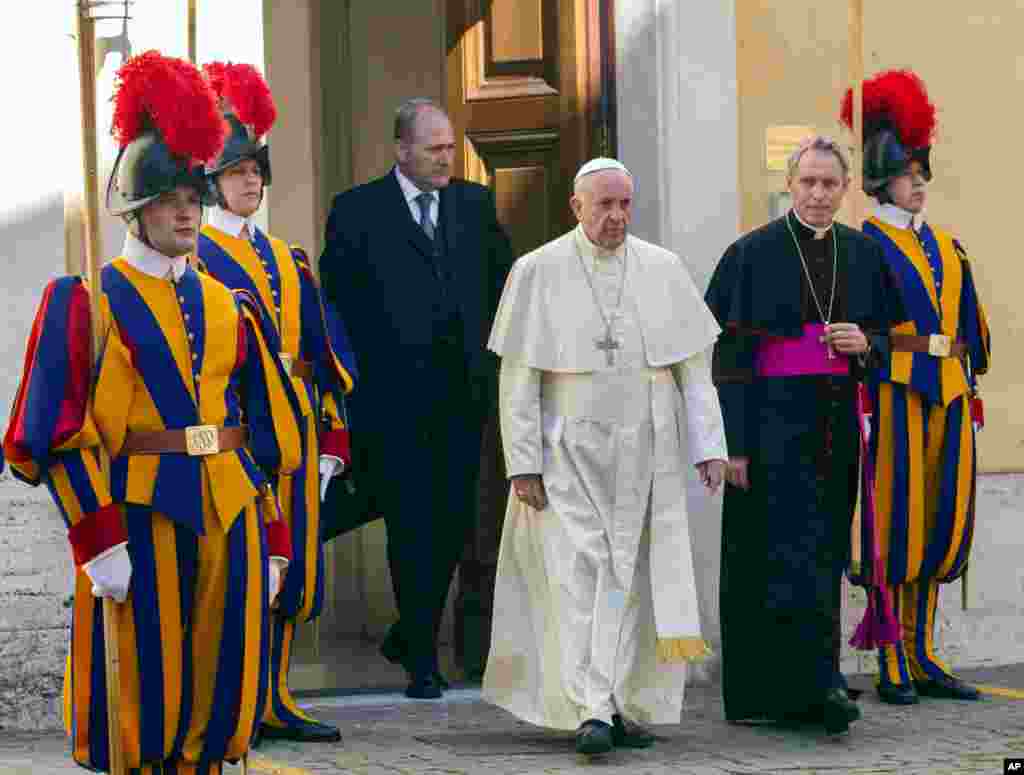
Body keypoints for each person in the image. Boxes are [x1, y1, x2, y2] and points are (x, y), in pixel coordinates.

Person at [2, 51, 302, 774]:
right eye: (172, 200)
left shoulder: (230, 304)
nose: (189, 212)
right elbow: (50, 430)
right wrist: (97, 537)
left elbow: (266, 431)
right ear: (136, 208)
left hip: (226, 515)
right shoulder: (88, 302)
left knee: (219, 691)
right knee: (143, 698)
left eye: (196, 199)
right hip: (137, 516)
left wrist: (274, 528)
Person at [482, 158, 728, 756]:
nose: (616, 217)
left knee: (634, 577)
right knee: (580, 574)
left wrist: (710, 447)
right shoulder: (536, 271)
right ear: (576, 207)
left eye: (625, 205)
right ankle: (593, 707)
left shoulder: (663, 269)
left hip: (646, 450)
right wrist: (523, 463)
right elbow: (518, 380)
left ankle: (616, 703)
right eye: (604, 206)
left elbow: (695, 373)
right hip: (568, 451)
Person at [704, 136, 906, 734]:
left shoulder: (863, 254)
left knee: (820, 558)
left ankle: (821, 683)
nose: (818, 195)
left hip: (832, 427)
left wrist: (865, 343)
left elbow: (895, 339)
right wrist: (732, 444)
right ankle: (763, 694)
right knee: (765, 559)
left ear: (845, 190)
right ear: (790, 187)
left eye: (830, 184)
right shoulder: (750, 253)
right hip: (765, 430)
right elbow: (727, 356)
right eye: (808, 183)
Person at [318, 98, 514, 699]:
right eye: (434, 148)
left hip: (463, 398)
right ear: (401, 150)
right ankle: (423, 658)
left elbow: (506, 287)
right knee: (409, 524)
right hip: (391, 402)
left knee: (453, 526)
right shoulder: (356, 211)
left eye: (450, 147)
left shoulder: (474, 205)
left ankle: (413, 631)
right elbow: (336, 304)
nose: (446, 158)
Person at [197, 61, 356, 743]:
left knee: (295, 575)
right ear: (210, 181)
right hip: (238, 439)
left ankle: (275, 695)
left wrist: (332, 437)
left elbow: (322, 355)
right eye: (236, 171)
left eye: (256, 169)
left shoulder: (286, 256)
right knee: (242, 570)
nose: (251, 180)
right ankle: (234, 700)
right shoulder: (198, 257)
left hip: (296, 435)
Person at [840, 70, 991, 705]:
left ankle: (925, 650)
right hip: (896, 392)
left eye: (922, 170)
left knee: (940, 523)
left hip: (950, 395)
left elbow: (974, 332)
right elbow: (856, 328)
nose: (919, 182)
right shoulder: (867, 246)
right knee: (895, 524)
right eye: (908, 173)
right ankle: (892, 656)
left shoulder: (951, 247)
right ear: (882, 180)